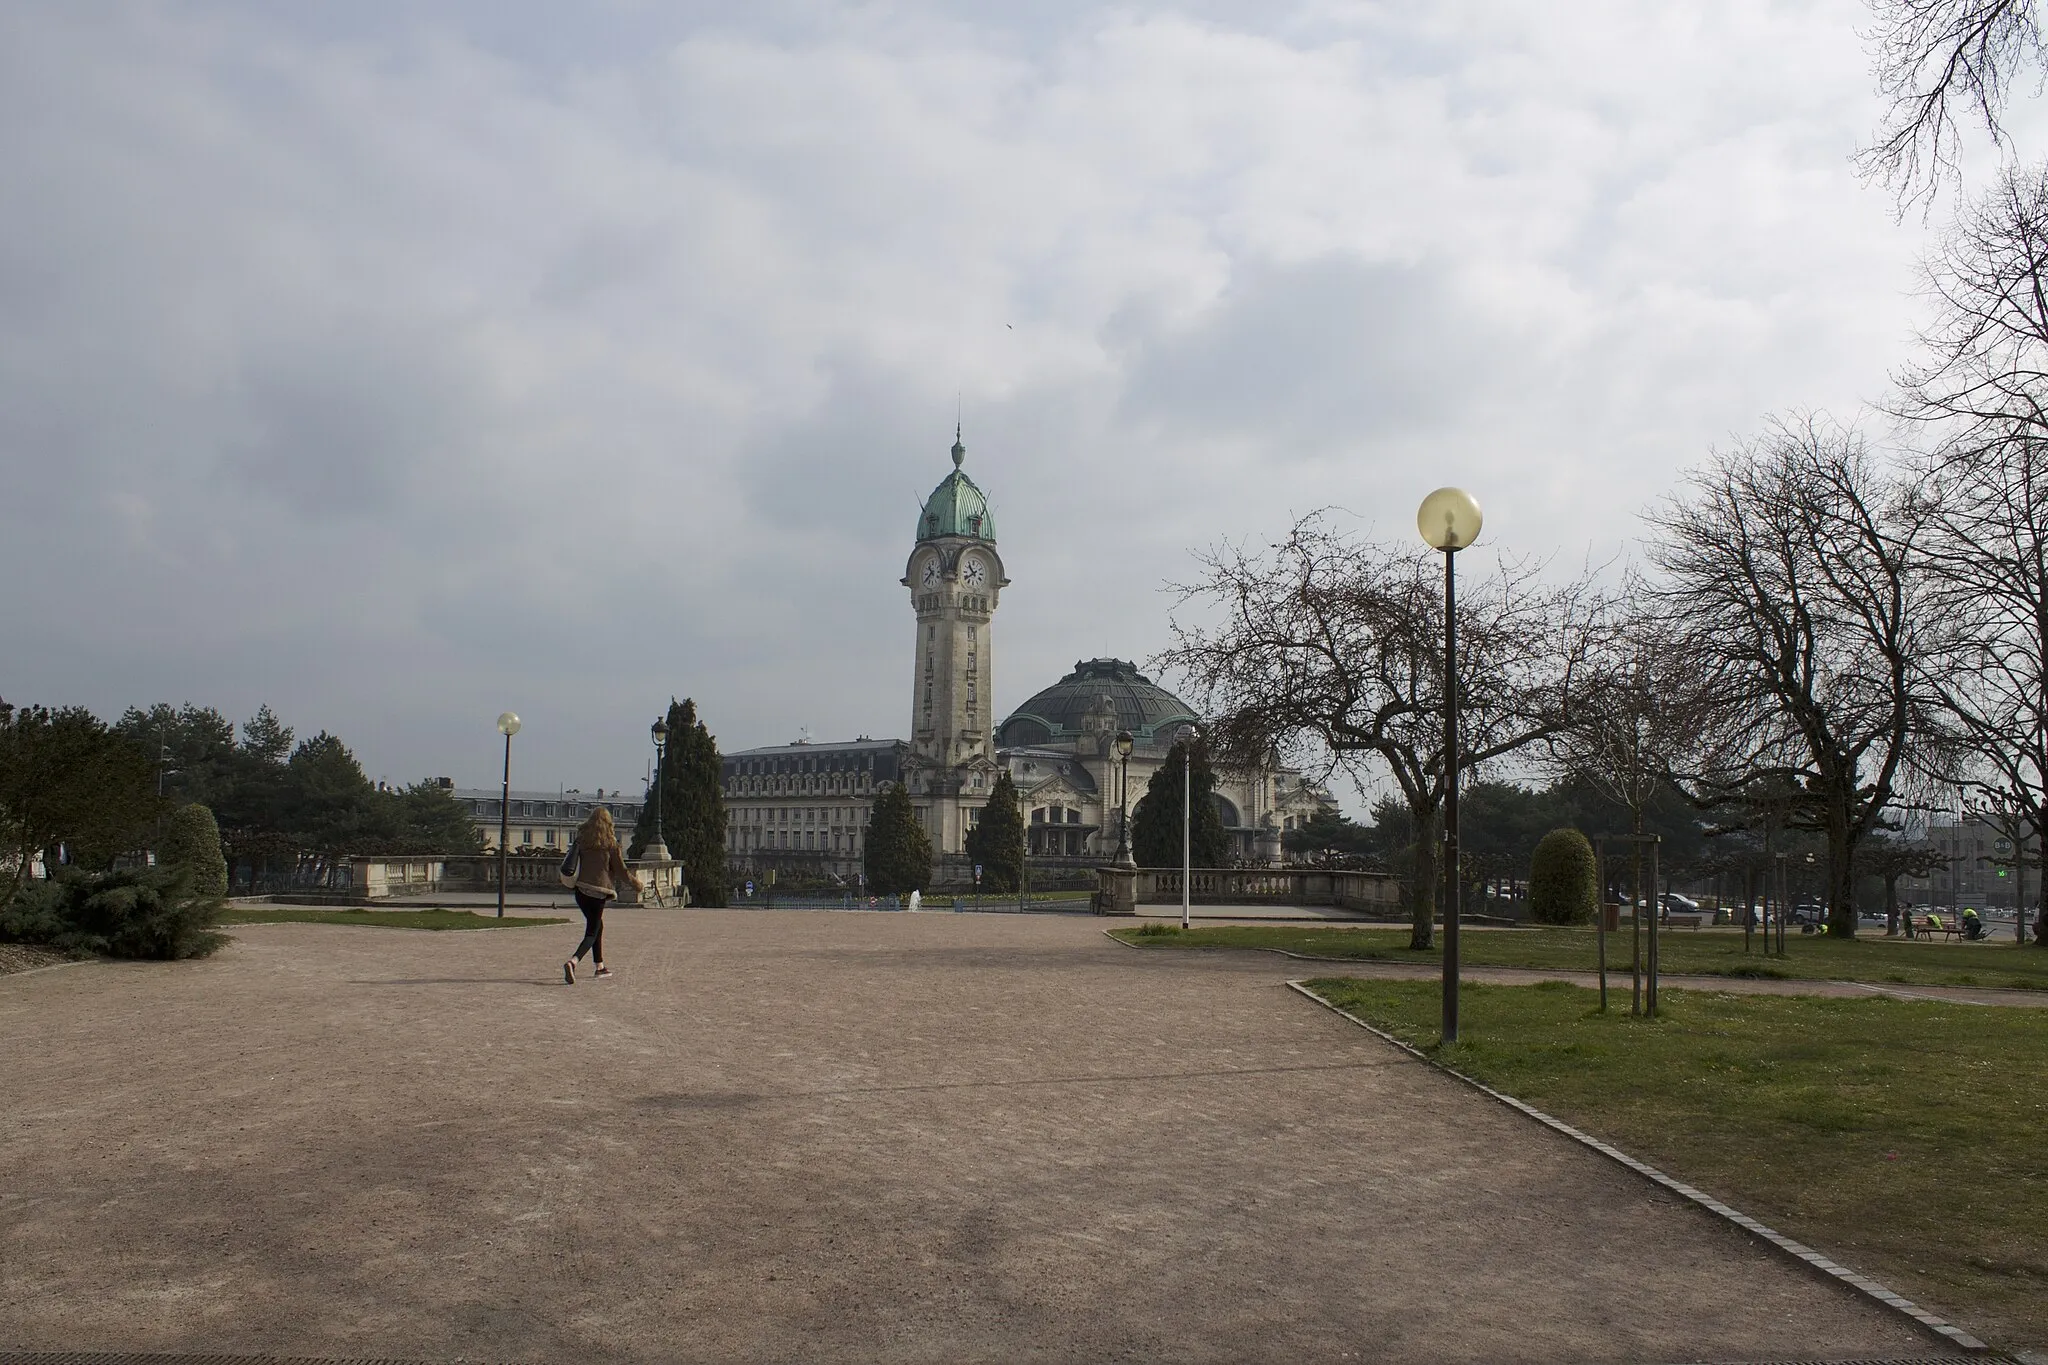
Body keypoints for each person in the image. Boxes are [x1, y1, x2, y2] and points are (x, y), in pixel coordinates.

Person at [562, 807, 641, 984]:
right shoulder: (611, 844)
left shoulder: (582, 840)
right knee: (592, 931)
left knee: (597, 926)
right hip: (598, 892)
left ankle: (600, 966)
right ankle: (573, 961)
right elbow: (621, 870)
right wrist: (636, 884)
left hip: (581, 890)